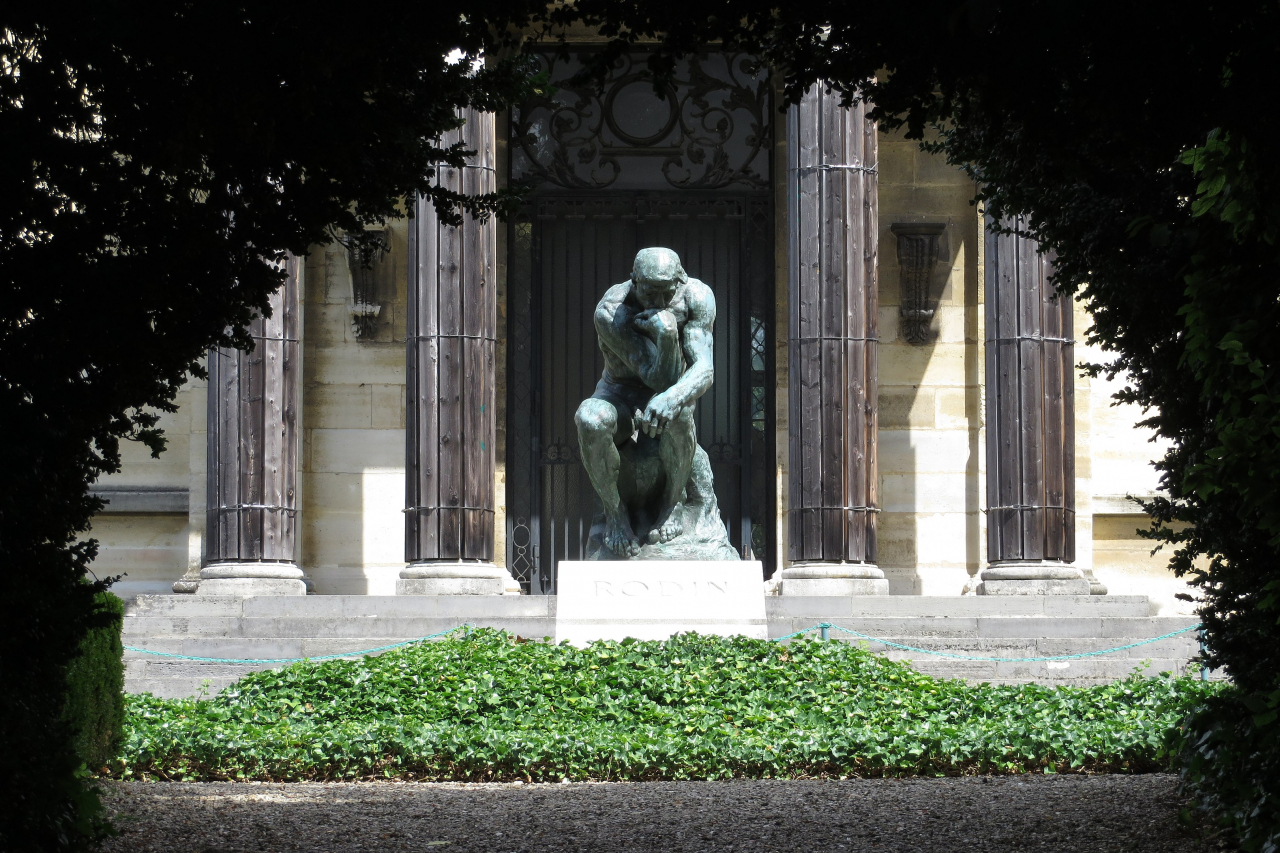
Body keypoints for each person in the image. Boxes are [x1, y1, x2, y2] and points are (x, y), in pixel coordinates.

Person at [574, 247, 716, 556]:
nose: (657, 301)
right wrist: (666, 335)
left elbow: (704, 368)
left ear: (680, 281)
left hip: (667, 398)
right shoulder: (612, 311)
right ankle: (615, 514)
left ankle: (672, 505)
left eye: (665, 292)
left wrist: (673, 397)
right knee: (590, 419)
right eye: (649, 291)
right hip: (620, 396)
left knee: (677, 412)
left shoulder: (696, 297)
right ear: (634, 282)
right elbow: (654, 377)